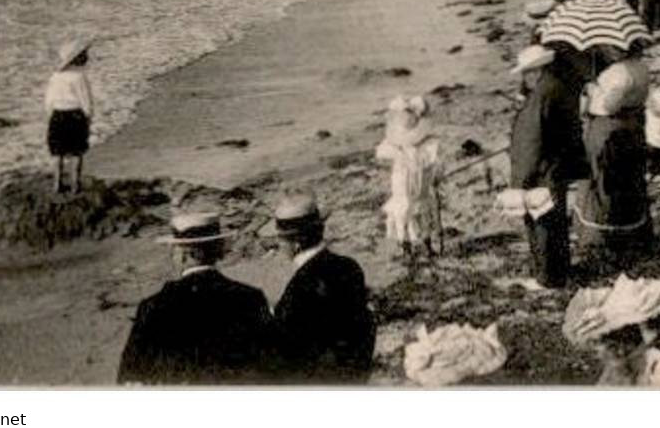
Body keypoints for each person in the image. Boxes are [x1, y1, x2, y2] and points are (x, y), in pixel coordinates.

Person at [117, 212, 275, 384]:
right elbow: (271, 365)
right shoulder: (250, 299)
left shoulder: (153, 307)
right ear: (219, 250)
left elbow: (130, 377)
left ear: (181, 255)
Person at [269, 191, 376, 383]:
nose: (278, 246)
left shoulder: (299, 289)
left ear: (296, 243)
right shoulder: (349, 266)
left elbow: (287, 351)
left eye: (280, 239)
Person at [509, 44, 587, 289]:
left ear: (536, 71)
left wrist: (521, 179)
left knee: (541, 223)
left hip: (541, 169)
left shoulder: (540, 97)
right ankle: (560, 272)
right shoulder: (558, 86)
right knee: (555, 221)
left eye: (526, 73)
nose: (524, 78)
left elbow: (530, 141)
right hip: (558, 165)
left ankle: (547, 279)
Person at [578, 57, 653, 267]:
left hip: (610, 130)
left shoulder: (619, 72)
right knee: (631, 181)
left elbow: (610, 105)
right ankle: (636, 232)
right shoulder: (641, 67)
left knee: (604, 183)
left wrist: (592, 91)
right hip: (633, 128)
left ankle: (603, 238)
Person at [373, 95, 441, 259]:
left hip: (419, 189)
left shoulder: (427, 145)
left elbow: (436, 166)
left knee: (419, 212)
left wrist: (436, 177)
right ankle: (407, 247)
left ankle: (425, 245)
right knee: (404, 214)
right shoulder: (396, 147)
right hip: (403, 189)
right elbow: (381, 154)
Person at [44, 35, 96, 194]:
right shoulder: (79, 77)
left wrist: (50, 117)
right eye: (84, 55)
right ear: (77, 59)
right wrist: (88, 118)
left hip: (57, 114)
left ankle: (57, 183)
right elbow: (86, 101)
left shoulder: (55, 77)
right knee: (76, 152)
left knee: (57, 152)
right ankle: (75, 184)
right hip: (75, 115)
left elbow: (48, 101)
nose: (87, 57)